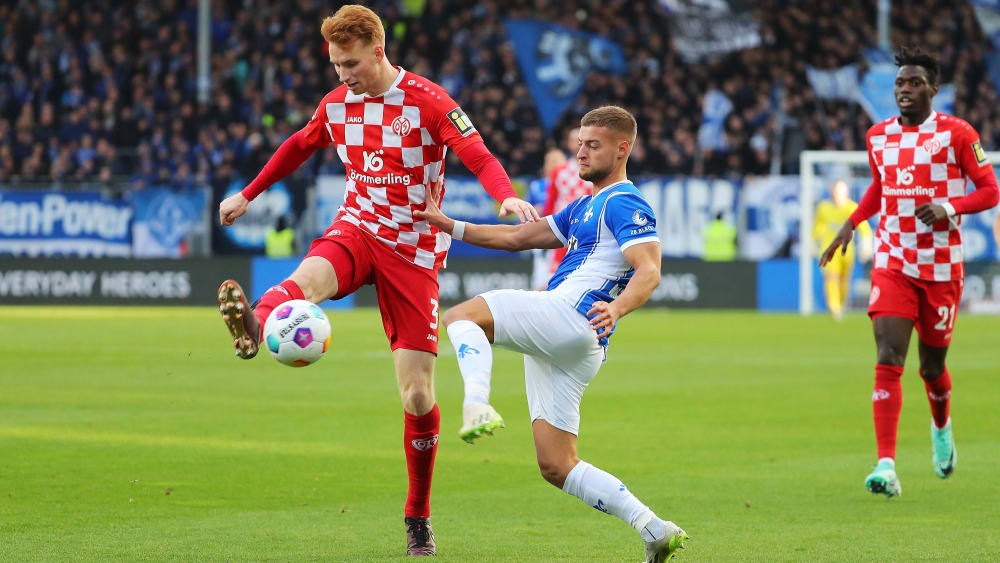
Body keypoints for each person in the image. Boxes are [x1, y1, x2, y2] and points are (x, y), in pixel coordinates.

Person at [215, 5, 539, 556]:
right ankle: (257, 322)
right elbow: (298, 144)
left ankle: (417, 515)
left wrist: (504, 194)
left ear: (379, 51)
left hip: (414, 254)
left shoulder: (429, 101)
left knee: (417, 396)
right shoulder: (337, 105)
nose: (343, 75)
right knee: (306, 280)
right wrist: (249, 192)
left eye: (351, 64)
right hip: (358, 228)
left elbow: (475, 152)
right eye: (336, 65)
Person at [413, 106, 688, 562]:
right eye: (579, 143)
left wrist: (617, 307)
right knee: (557, 465)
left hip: (573, 317)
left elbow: (650, 270)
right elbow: (516, 239)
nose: (580, 152)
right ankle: (653, 528)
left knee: (461, 316)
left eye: (592, 145)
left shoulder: (624, 201)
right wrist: (447, 224)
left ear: (622, 149)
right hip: (576, 347)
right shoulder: (586, 204)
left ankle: (476, 402)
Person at [820, 47, 999, 498]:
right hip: (893, 261)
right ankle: (886, 465)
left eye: (914, 82)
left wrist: (948, 206)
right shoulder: (878, 136)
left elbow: (990, 190)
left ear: (933, 90)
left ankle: (941, 425)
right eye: (900, 82)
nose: (905, 89)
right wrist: (852, 222)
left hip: (941, 268)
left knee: (932, 365)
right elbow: (883, 186)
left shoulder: (958, 134)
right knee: (888, 356)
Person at [814, 180, 872, 320]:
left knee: (844, 279)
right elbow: (818, 226)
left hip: (847, 250)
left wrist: (866, 244)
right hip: (829, 249)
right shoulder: (823, 207)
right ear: (831, 192)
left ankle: (841, 304)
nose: (837, 194)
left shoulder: (852, 208)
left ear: (846, 192)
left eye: (840, 191)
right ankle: (834, 307)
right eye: (835, 191)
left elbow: (864, 228)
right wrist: (814, 241)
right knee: (831, 277)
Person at [543, 127, 594, 275]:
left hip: (586, 229)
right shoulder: (559, 171)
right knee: (555, 273)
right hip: (562, 228)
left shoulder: (594, 171)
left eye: (583, 141)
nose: (579, 145)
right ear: (568, 144)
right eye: (576, 141)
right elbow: (551, 201)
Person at [528, 147, 567, 290]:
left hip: (564, 235)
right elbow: (527, 210)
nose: (553, 164)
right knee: (541, 281)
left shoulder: (569, 182)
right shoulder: (537, 185)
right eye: (550, 161)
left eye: (557, 160)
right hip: (543, 236)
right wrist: (533, 211)